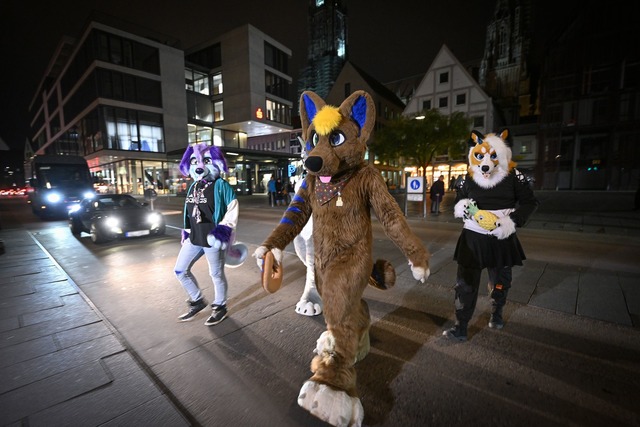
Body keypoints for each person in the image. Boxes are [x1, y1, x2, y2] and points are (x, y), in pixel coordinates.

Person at [444, 129, 538, 341]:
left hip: (501, 238)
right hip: (472, 238)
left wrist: (512, 221)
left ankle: (496, 312)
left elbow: (530, 203)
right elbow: (459, 199)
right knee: (464, 285)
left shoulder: (516, 176)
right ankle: (460, 327)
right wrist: (462, 206)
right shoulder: (467, 176)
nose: (486, 162)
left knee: (500, 282)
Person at [174, 143, 239, 326]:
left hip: (212, 238)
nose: (199, 165)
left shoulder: (221, 185)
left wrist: (224, 229)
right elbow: (189, 211)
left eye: (206, 160)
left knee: (216, 274)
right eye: (194, 161)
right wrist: (186, 231)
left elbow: (232, 207)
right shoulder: (193, 186)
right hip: (194, 238)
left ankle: (220, 307)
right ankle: (197, 300)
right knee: (180, 270)